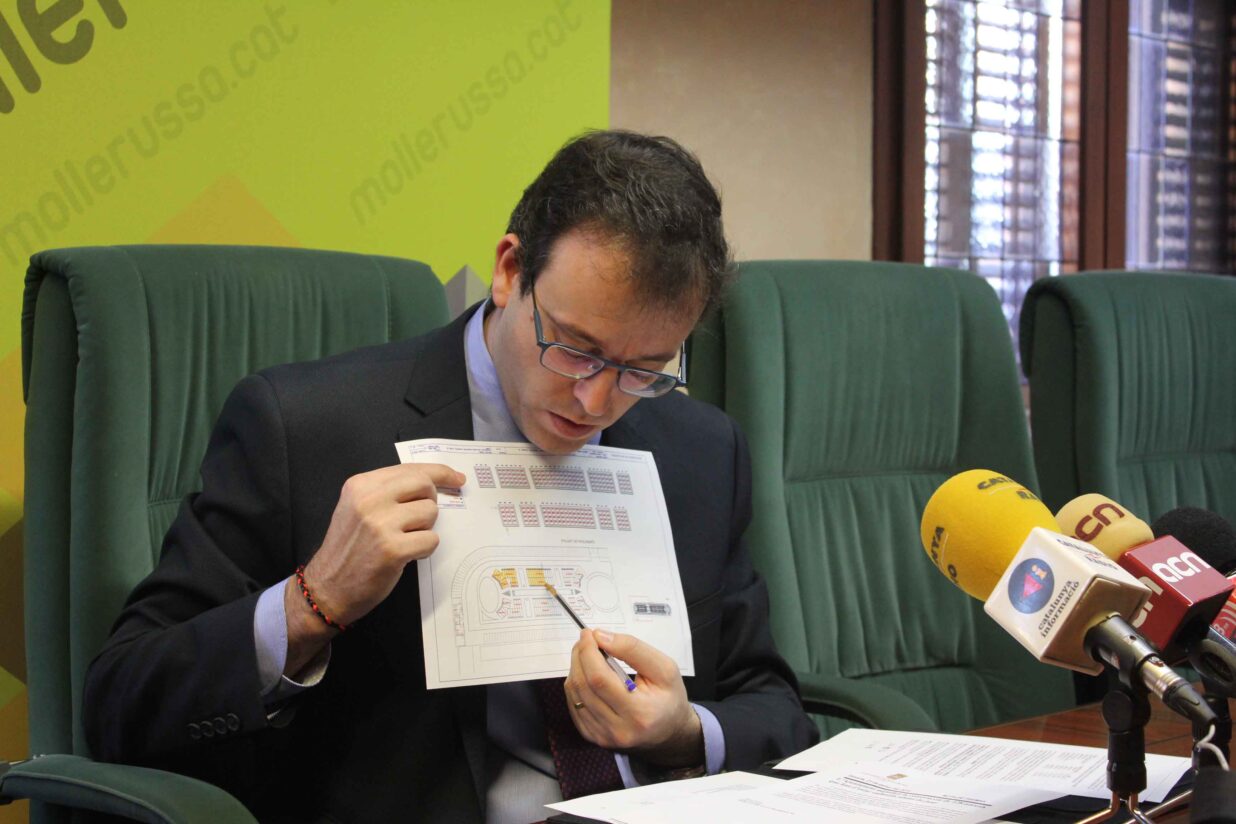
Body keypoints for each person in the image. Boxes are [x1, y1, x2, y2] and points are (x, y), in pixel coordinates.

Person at [84, 130, 817, 823]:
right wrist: (312, 603)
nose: (596, 401)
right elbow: (119, 701)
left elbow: (774, 707)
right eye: (574, 348)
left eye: (644, 369)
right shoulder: (303, 428)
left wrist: (682, 731)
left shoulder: (699, 451)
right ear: (509, 271)